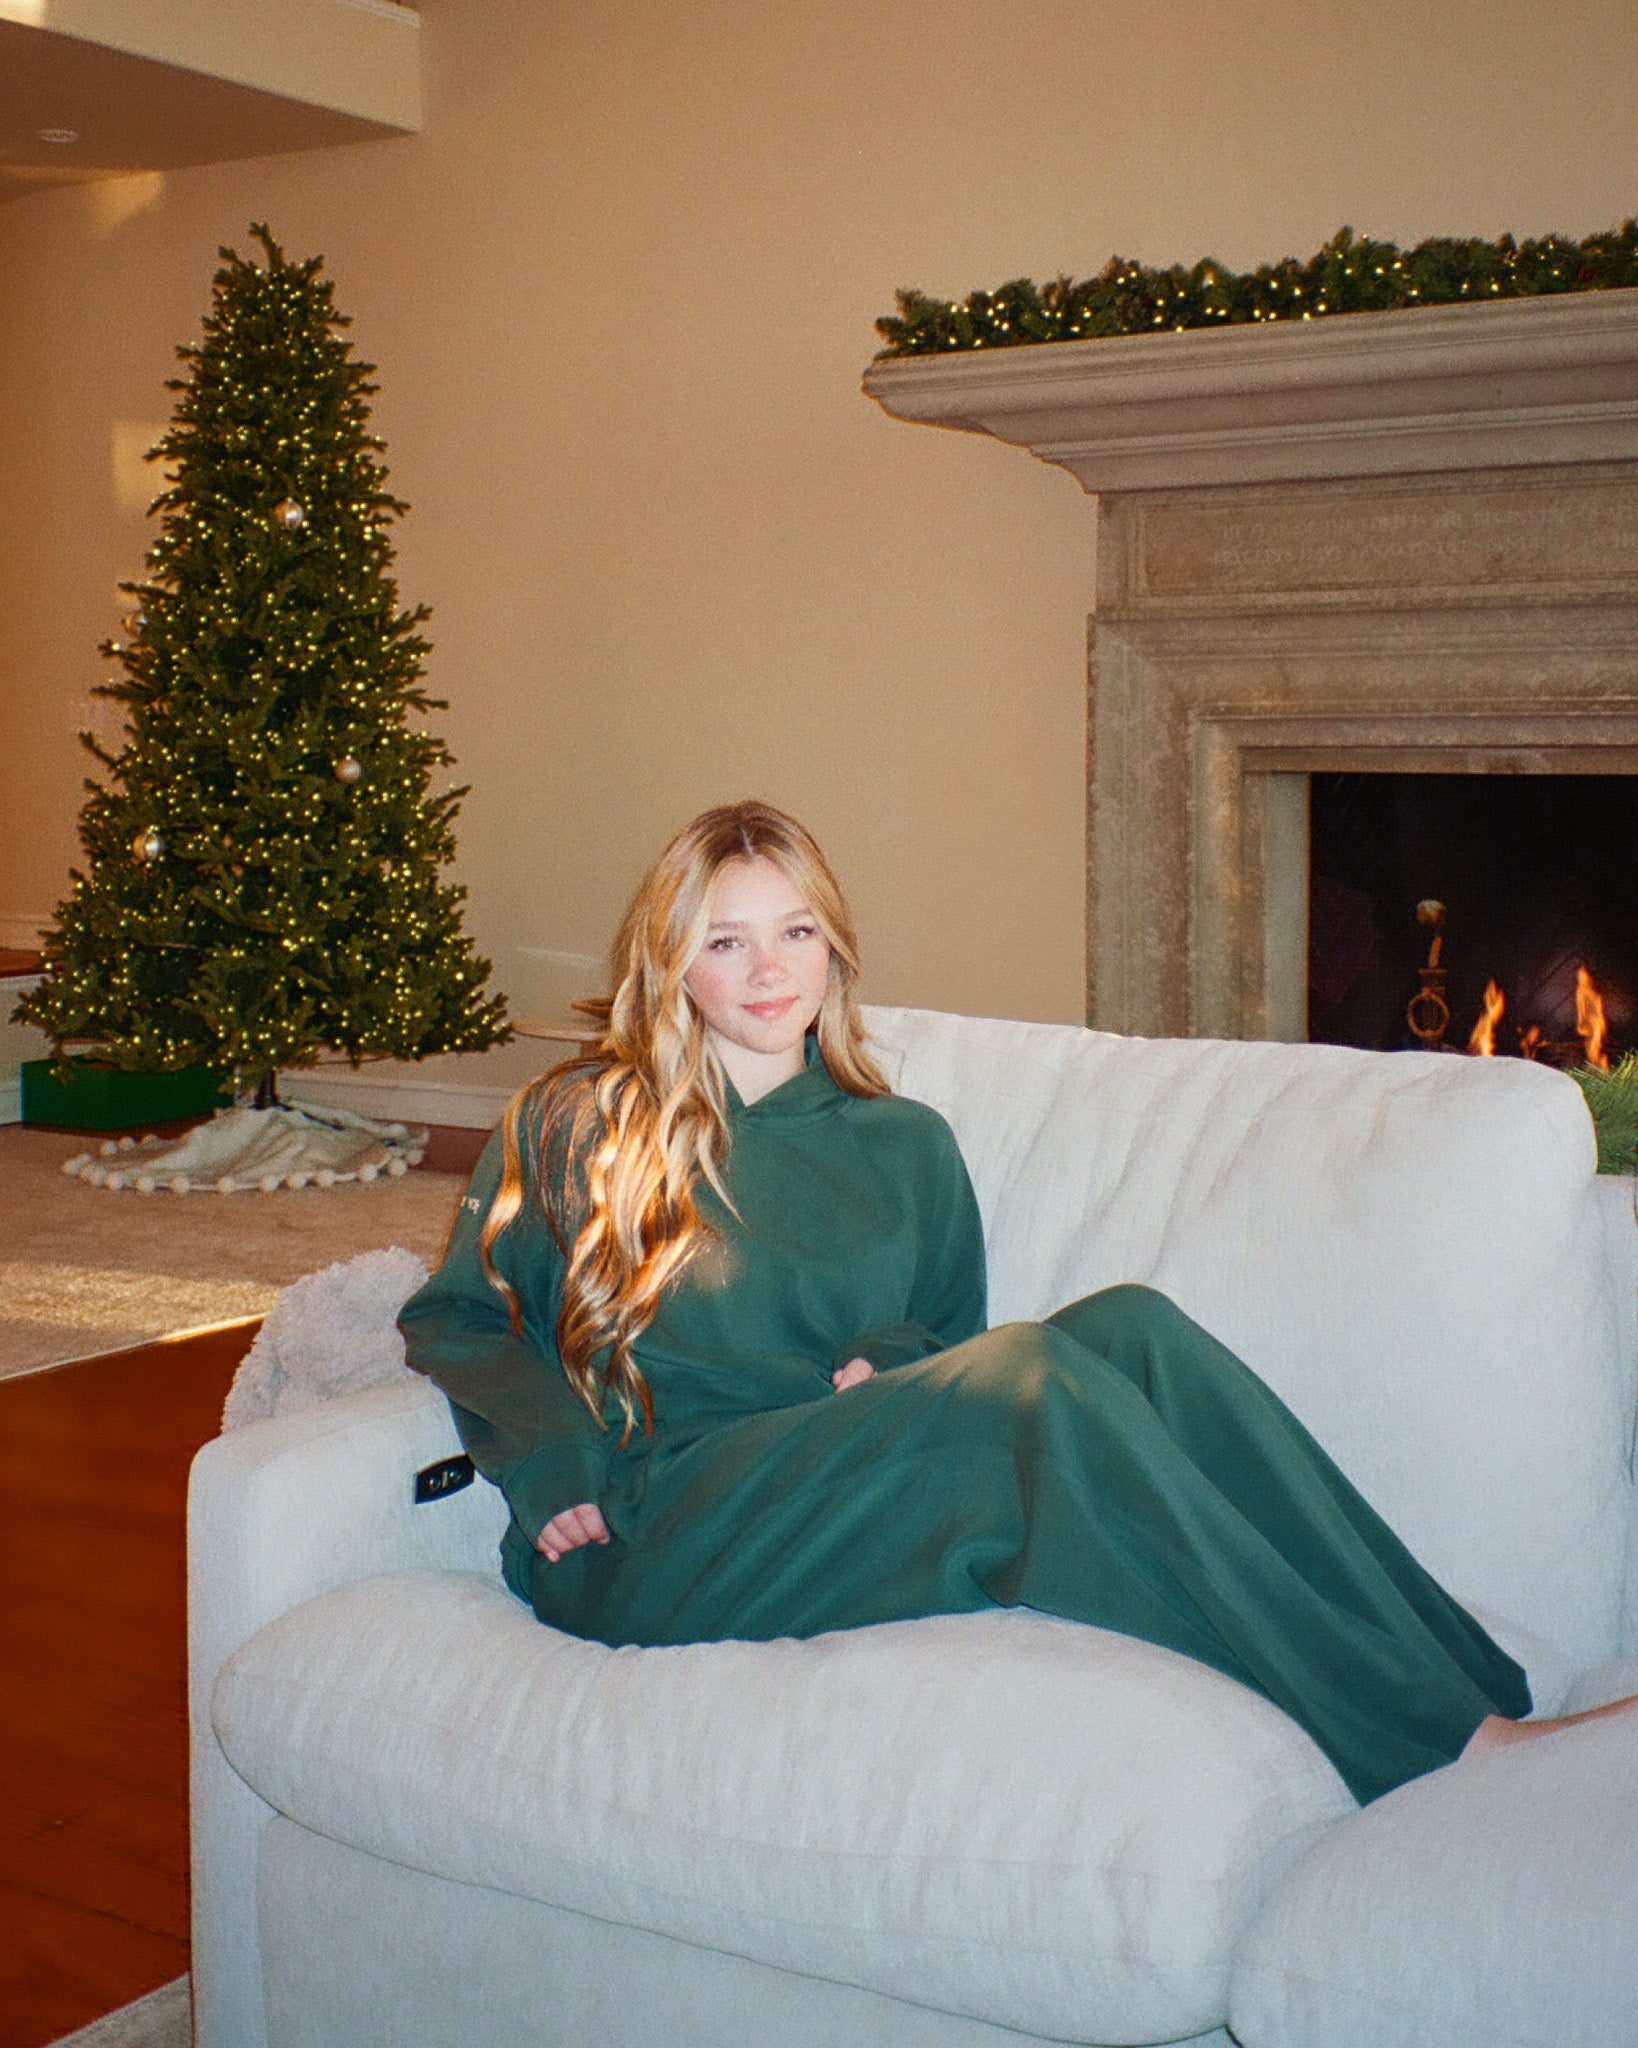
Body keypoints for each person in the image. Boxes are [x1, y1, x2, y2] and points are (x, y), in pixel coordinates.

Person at [399, 799, 1633, 1806]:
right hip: (653, 1525)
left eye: (795, 932)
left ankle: (1492, 1681)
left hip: (826, 1481)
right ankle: (1445, 1747)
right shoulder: (576, 1120)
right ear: (672, 959)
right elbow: (461, 1316)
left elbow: (940, 1327)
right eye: (725, 939)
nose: (768, 970)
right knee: (1029, 1376)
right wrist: (549, 1467)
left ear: (835, 943)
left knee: (1133, 1327)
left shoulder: (906, 1142)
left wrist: (890, 1354)